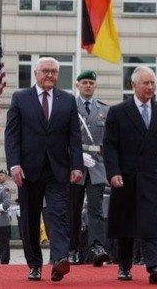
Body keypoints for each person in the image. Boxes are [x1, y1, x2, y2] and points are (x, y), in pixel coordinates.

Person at [5, 56, 84, 282]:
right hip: (28, 170)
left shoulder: (67, 100)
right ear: (36, 74)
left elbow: (74, 137)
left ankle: (59, 260)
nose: (50, 75)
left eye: (54, 72)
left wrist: (76, 165)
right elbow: (12, 135)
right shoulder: (21, 98)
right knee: (30, 219)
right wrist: (14, 164)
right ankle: (34, 264)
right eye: (46, 71)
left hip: (58, 169)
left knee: (58, 214)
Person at [103, 65, 157, 284]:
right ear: (133, 85)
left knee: (152, 222)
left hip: (153, 176)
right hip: (126, 176)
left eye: (153, 83)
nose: (150, 87)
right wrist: (113, 172)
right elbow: (110, 145)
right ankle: (124, 266)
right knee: (126, 223)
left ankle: (155, 267)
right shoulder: (118, 112)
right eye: (146, 82)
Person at [68, 70, 110, 266]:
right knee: (74, 210)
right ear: (77, 85)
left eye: (91, 83)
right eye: (84, 82)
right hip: (75, 164)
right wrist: (76, 156)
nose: (88, 86)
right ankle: (72, 249)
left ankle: (97, 247)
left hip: (97, 165)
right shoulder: (69, 107)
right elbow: (61, 137)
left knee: (96, 209)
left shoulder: (104, 110)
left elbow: (109, 141)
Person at [0, 169, 12, 264]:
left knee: (3, 244)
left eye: (2, 175)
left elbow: (6, 204)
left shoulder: (5, 189)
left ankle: (5, 262)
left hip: (2, 221)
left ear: (6, 177)